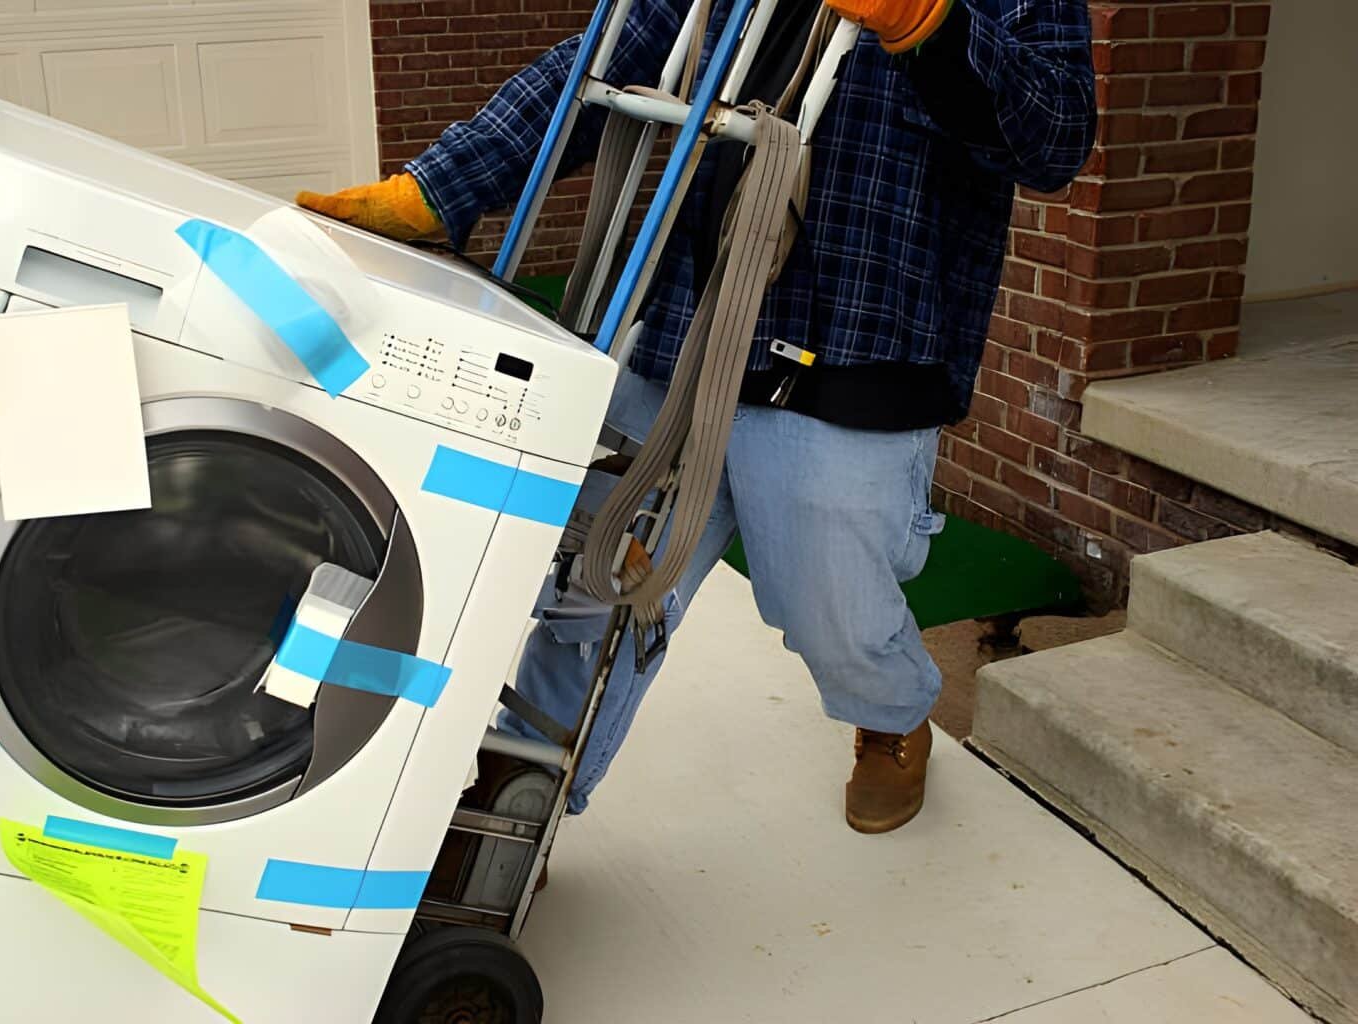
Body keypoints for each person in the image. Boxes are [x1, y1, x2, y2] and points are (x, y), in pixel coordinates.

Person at [299, 0, 1096, 836]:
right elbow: (599, 64)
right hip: (689, 329)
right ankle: (512, 812)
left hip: (860, 345)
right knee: (596, 587)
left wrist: (929, 26)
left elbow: (1055, 140)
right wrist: (435, 188)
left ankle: (891, 717)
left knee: (838, 617)